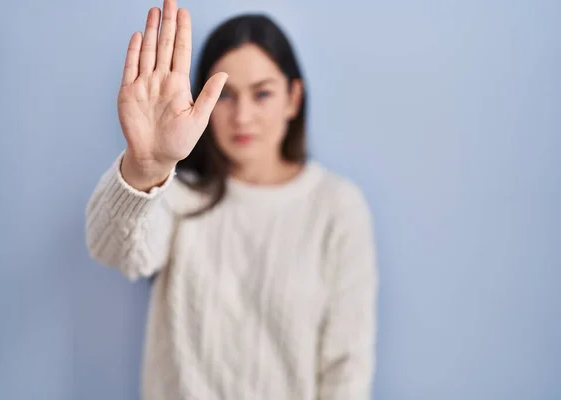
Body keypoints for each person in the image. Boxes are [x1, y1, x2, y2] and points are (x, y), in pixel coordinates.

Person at [85, 0, 378, 399]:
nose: (242, 116)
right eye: (225, 96)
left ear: (293, 98)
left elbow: (347, 365)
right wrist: (147, 165)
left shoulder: (337, 206)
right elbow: (112, 252)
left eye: (262, 94)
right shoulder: (178, 196)